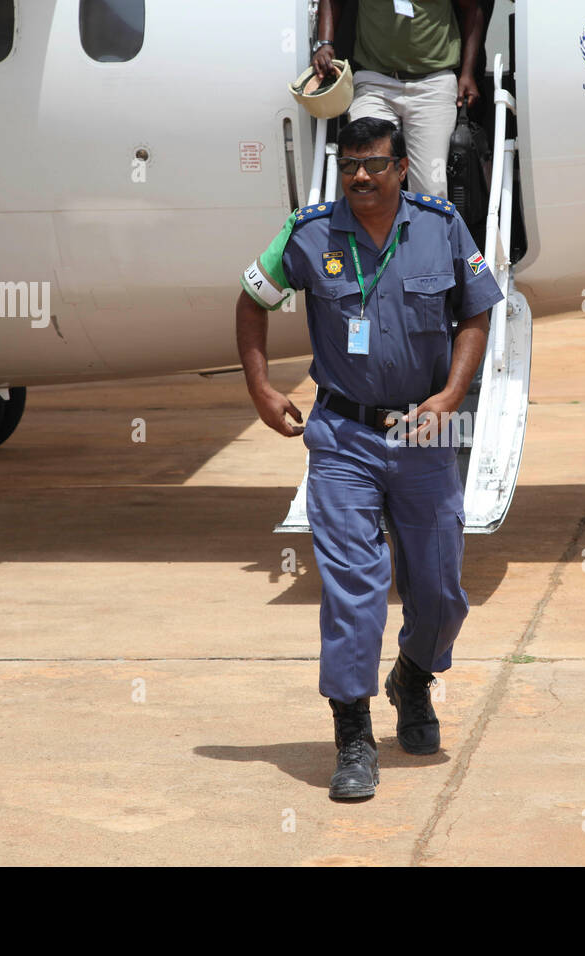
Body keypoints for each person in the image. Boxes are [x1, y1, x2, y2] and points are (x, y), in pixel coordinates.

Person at [235, 117, 502, 800]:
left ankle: (413, 677)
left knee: (440, 593)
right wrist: (261, 386)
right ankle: (352, 733)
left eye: (374, 165)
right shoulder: (310, 232)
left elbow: (477, 313)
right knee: (355, 589)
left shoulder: (442, 227)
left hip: (424, 433)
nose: (360, 177)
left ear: (402, 168)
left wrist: (449, 396)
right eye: (350, 164)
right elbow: (251, 299)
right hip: (343, 438)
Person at [311, 0, 485, 199]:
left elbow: (472, 8)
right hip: (375, 82)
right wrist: (325, 44)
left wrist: (468, 73)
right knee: (369, 173)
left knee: (430, 190)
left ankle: (422, 229)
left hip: (433, 84)